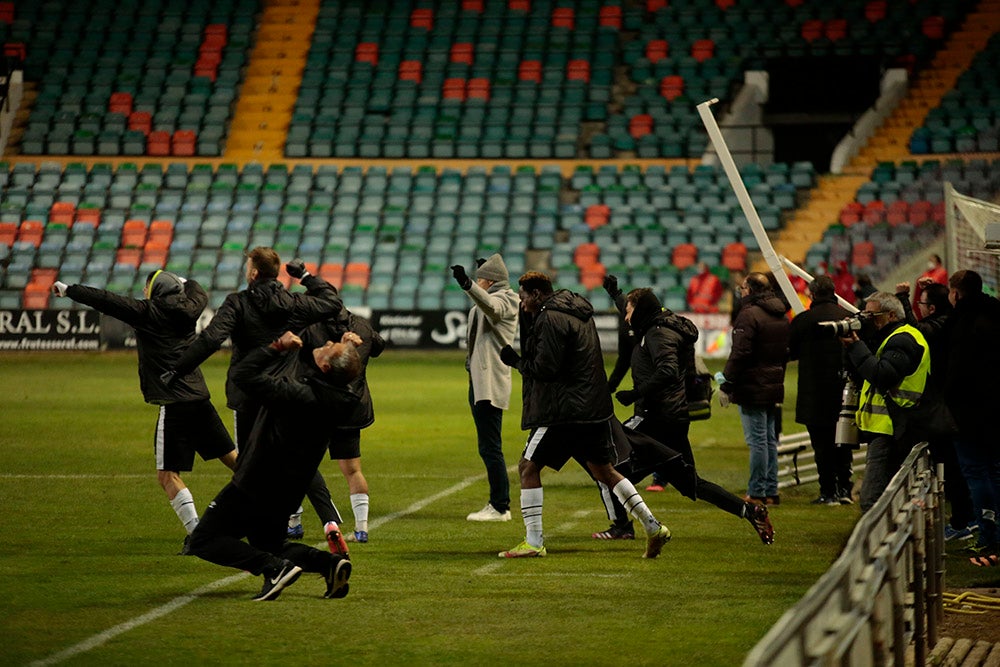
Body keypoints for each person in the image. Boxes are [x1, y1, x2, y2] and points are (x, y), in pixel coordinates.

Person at [52, 271, 238, 552]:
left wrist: (69, 290)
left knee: (167, 476)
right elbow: (199, 292)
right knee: (235, 460)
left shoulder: (146, 312)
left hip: (174, 402)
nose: (144, 290)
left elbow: (106, 300)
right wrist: (186, 281)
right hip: (199, 396)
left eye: (148, 286)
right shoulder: (192, 307)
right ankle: (283, 504)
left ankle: (198, 535)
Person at [497, 271, 671, 558]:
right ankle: (653, 526)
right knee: (605, 471)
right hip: (592, 406)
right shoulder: (578, 312)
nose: (521, 301)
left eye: (524, 295)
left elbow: (546, 368)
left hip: (564, 410)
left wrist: (515, 361)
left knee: (527, 468)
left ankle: (533, 541)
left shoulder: (550, 319)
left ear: (538, 294)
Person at [187, 330, 362, 601]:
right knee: (269, 544)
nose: (326, 342)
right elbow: (326, 366)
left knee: (202, 540)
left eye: (330, 347)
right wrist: (347, 348)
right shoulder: (340, 396)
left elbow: (242, 375)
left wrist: (276, 347)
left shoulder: (297, 394)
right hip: (289, 490)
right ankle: (329, 565)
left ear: (325, 366)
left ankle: (274, 569)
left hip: (257, 481)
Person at [600, 287, 774, 545]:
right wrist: (617, 295)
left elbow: (668, 370)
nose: (626, 317)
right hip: (673, 418)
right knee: (691, 484)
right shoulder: (658, 326)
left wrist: (636, 393)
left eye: (628, 310)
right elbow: (636, 311)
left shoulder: (657, 334)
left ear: (641, 310)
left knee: (607, 471)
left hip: (655, 418)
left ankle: (622, 527)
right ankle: (749, 511)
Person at [168, 248, 342, 452]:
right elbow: (332, 302)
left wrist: (177, 370)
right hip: (284, 394)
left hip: (248, 394)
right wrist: (304, 276)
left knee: (249, 465)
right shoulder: (295, 304)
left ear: (254, 274)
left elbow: (211, 339)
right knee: (285, 461)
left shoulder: (237, 303)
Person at [296, 305, 385, 546]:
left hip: (319, 409)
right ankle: (362, 528)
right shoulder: (362, 327)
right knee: (353, 470)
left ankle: (294, 522)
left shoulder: (311, 328)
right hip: (352, 409)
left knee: (300, 466)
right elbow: (378, 347)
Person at [895, 280, 974, 540]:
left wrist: (904, 298)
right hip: (952, 404)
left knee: (953, 466)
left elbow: (915, 330)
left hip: (945, 406)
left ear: (931, 308)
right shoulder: (952, 320)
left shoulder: (941, 325)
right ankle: (967, 518)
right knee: (957, 465)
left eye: (921, 303)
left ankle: (965, 521)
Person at [840, 291, 929, 512]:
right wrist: (852, 346)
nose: (865, 320)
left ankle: (878, 543)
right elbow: (861, 373)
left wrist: (856, 347)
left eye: (872, 315)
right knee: (886, 496)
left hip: (893, 427)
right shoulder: (888, 338)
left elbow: (882, 375)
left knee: (872, 499)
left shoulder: (903, 339)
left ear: (890, 315)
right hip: (887, 426)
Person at [450, 254, 519, 522]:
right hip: (481, 381)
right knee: (488, 445)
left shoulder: (508, 299)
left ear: (490, 281)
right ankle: (498, 503)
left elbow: (492, 307)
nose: (478, 282)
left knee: (491, 446)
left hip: (490, 382)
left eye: (482, 278)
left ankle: (500, 506)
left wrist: (468, 284)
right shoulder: (497, 296)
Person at [716, 272, 789, 505]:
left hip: (752, 385)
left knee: (757, 441)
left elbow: (740, 353)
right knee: (768, 440)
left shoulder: (748, 315)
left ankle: (756, 491)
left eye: (744, 287)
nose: (741, 290)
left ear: (752, 290)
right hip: (773, 382)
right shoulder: (780, 314)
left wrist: (726, 384)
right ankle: (770, 490)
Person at [943, 270, 1000, 565]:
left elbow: (956, 372)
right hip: (996, 412)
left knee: (976, 473)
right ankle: (994, 534)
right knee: (993, 470)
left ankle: (988, 536)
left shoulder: (962, 324)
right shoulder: (994, 314)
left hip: (970, 414)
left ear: (957, 293)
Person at [788, 275, 854, 506]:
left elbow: (790, 352)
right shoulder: (848, 318)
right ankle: (845, 488)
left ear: (812, 294)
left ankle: (828, 491)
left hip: (814, 392)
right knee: (843, 442)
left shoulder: (804, 320)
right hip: (845, 390)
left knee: (822, 445)